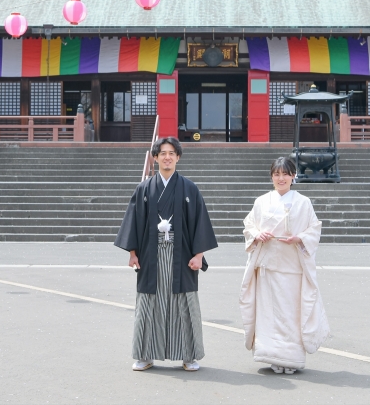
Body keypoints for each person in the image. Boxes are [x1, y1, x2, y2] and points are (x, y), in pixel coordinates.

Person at [115, 136, 218, 372]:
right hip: (151, 255)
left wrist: (199, 254)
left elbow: (200, 223)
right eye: (163, 153)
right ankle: (145, 355)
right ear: (155, 158)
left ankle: (189, 356)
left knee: (185, 304)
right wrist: (132, 252)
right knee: (148, 304)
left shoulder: (190, 188)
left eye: (172, 153)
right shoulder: (144, 189)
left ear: (178, 157)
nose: (167, 157)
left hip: (182, 257)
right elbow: (134, 223)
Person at [239, 157, 329, 374]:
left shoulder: (303, 202)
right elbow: (249, 225)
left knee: (291, 314)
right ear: (272, 176)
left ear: (293, 176)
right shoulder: (261, 201)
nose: (281, 178)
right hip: (268, 266)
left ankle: (292, 358)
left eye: (285, 174)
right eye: (277, 174)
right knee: (268, 314)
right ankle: (271, 356)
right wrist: (257, 234)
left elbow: (314, 230)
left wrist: (299, 238)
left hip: (292, 268)